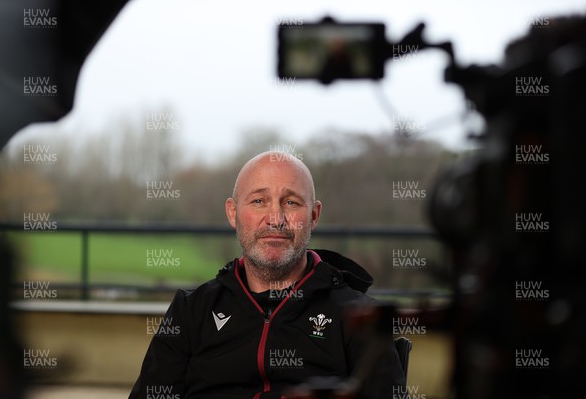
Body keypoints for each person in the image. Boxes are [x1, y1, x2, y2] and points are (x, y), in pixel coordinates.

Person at [129, 151, 405, 398]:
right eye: (259, 200)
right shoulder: (191, 311)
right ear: (233, 213)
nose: (275, 218)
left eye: (292, 203)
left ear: (314, 216)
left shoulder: (360, 317)